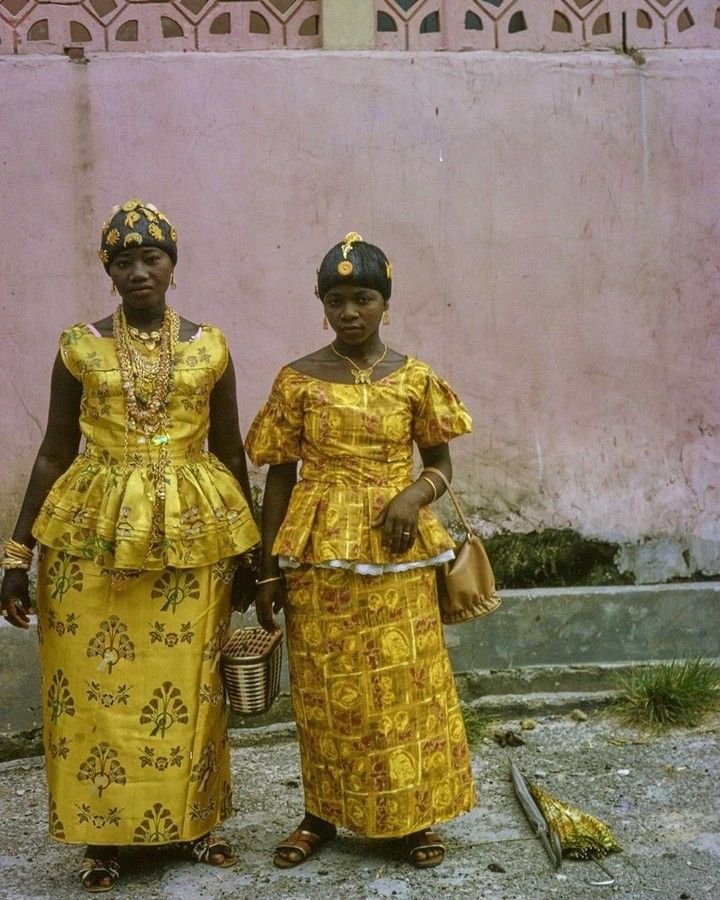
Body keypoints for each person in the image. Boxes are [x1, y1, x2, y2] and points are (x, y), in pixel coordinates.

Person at [0, 199, 260, 892]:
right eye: (124, 261)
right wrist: (17, 554)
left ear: (174, 264)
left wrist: (253, 557)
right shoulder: (78, 345)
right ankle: (100, 837)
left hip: (191, 535)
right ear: (107, 269)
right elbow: (56, 451)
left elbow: (231, 450)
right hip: (91, 537)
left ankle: (196, 824)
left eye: (153, 258)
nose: (139, 271)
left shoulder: (210, 347)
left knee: (194, 686)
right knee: (93, 694)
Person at [245, 232, 476, 870]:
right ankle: (321, 815)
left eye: (364, 298)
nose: (350, 312)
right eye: (337, 299)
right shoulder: (297, 380)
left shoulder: (416, 378)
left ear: (385, 303)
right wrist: (268, 573)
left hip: (397, 552)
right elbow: (280, 478)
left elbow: (441, 462)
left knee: (406, 684)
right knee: (322, 689)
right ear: (321, 304)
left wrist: (411, 498)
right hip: (317, 552)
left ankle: (411, 821)